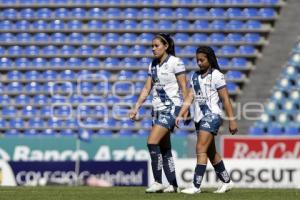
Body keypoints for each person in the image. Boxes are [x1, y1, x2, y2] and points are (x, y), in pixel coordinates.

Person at [129, 33, 189, 193]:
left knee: (151, 142)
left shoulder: (176, 63)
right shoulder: (153, 65)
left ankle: (157, 181)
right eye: (152, 46)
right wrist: (136, 107)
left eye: (156, 45)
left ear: (166, 46)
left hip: (171, 109)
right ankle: (174, 185)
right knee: (165, 149)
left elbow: (184, 88)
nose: (153, 49)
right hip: (156, 111)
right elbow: (147, 88)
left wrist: (185, 108)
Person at [175, 46, 238, 194]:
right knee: (211, 152)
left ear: (210, 59)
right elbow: (190, 97)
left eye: (202, 60)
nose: (199, 63)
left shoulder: (217, 75)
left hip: (212, 116)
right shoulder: (195, 76)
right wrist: (181, 113)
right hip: (199, 118)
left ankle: (196, 186)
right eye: (197, 60)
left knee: (200, 148)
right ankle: (227, 182)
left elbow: (225, 99)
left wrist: (232, 120)